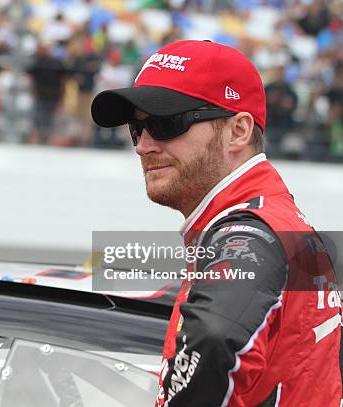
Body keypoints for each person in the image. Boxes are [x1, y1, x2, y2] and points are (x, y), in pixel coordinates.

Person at [91, 40, 342, 406]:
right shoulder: (273, 219)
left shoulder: (250, 229)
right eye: (136, 128)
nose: (142, 146)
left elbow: (214, 337)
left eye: (164, 124)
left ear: (238, 131)